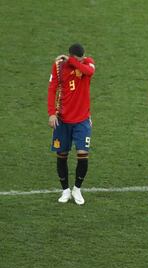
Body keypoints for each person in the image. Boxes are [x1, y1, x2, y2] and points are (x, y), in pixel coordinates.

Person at [47, 43, 95, 205]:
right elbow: (52, 89)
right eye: (78, 59)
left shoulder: (88, 63)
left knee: (82, 155)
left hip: (82, 120)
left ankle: (77, 189)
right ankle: (65, 190)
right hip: (63, 119)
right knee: (62, 155)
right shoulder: (59, 67)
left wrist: (73, 61)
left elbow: (89, 71)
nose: (81, 62)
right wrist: (52, 113)